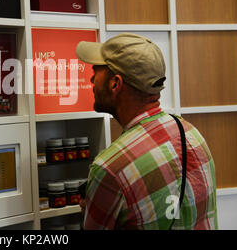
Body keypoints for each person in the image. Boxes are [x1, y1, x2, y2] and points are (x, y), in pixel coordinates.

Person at [76, 33, 218, 230]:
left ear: (115, 84)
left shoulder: (110, 168)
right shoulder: (193, 135)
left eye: (96, 70)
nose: (91, 78)